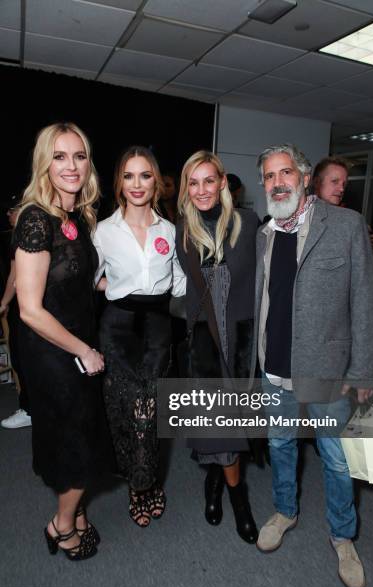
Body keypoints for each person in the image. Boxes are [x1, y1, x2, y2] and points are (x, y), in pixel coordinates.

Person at [252, 144, 373, 587]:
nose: (278, 182)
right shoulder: (264, 234)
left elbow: (364, 302)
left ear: (305, 177)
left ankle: (343, 536)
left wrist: (362, 372)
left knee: (337, 459)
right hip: (276, 370)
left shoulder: (345, 225)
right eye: (269, 176)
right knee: (281, 445)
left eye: (286, 172)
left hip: (328, 371)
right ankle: (286, 511)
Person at [13, 122, 113, 560]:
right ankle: (62, 526)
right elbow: (30, 309)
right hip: (55, 351)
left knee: (81, 433)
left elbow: (69, 281)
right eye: (59, 156)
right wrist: (84, 350)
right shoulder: (35, 219)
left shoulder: (76, 216)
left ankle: (75, 512)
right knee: (75, 440)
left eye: (79, 156)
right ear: (45, 165)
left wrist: (108, 284)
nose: (71, 166)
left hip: (76, 343)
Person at [93, 146, 185, 527]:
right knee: (127, 414)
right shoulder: (103, 231)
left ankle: (147, 481)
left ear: (156, 181)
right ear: (119, 182)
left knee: (151, 411)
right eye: (129, 176)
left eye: (144, 175)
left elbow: (179, 282)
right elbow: (89, 280)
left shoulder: (170, 230)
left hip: (158, 329)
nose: (137, 184)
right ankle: (138, 485)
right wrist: (116, 288)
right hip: (118, 328)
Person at [176, 151, 259, 544]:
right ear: (185, 189)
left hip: (241, 340)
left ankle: (214, 481)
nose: (202, 190)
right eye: (193, 183)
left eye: (209, 180)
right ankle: (237, 497)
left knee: (232, 421)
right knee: (218, 421)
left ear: (223, 183)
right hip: (205, 342)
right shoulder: (183, 231)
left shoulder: (250, 224)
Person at [312, 156, 373, 257]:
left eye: (344, 184)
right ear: (316, 182)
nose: (341, 189)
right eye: (335, 181)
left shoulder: (351, 220)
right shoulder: (300, 216)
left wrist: (372, 252)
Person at [1, 204, 32, 428]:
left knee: (24, 358)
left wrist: (3, 302)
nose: (8, 214)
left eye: (12, 209)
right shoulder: (19, 234)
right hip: (25, 306)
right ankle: (31, 408)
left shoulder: (26, 232)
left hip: (29, 308)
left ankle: (31, 410)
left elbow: (15, 275)